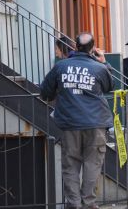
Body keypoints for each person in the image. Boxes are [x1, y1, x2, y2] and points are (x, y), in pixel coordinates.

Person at [40, 33, 113, 209]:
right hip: (96, 123)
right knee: (92, 165)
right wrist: (103, 62)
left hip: (70, 124)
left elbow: (45, 92)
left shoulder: (61, 67)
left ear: (75, 47)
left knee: (70, 165)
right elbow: (109, 86)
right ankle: (88, 203)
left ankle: (73, 204)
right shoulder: (99, 68)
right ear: (93, 49)